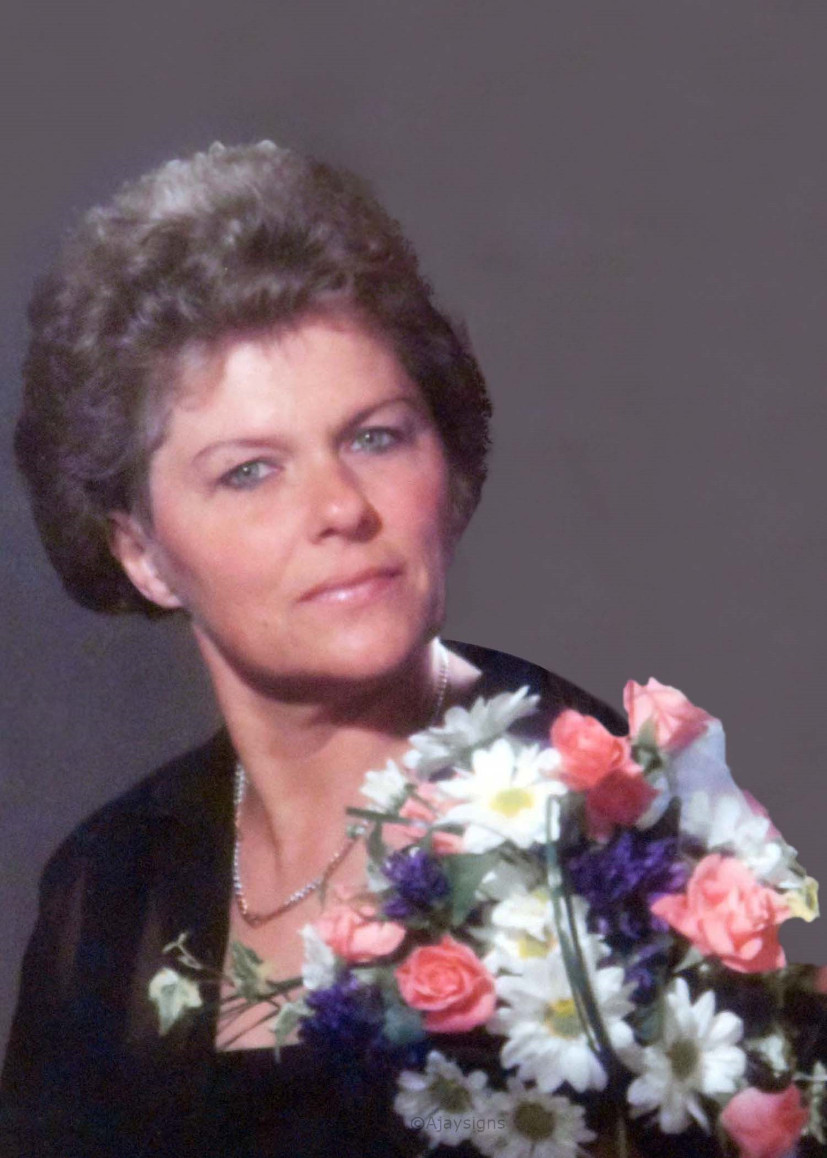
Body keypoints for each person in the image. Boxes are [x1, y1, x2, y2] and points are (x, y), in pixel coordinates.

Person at [0, 142, 779, 1158]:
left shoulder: (605, 819)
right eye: (248, 472)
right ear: (142, 553)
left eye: (374, 436)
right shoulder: (110, 882)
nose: (339, 508)